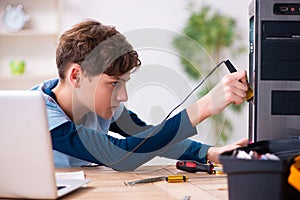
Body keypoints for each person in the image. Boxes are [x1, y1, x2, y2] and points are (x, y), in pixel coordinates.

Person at [31, 19, 249, 171]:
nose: (123, 96)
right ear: (76, 76)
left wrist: (212, 153)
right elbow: (121, 156)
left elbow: (149, 138)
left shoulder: (96, 104)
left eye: (124, 83)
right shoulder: (38, 114)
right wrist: (205, 106)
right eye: (114, 84)